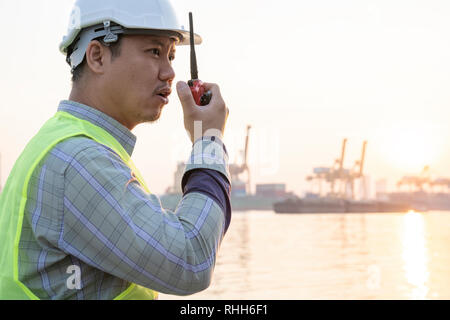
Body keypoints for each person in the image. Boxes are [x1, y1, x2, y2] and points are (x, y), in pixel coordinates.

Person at [0, 0, 231, 300]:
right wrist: (208, 140)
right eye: (154, 52)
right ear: (97, 56)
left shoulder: (72, 145)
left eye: (172, 55)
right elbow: (191, 260)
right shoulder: (79, 160)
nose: (170, 73)